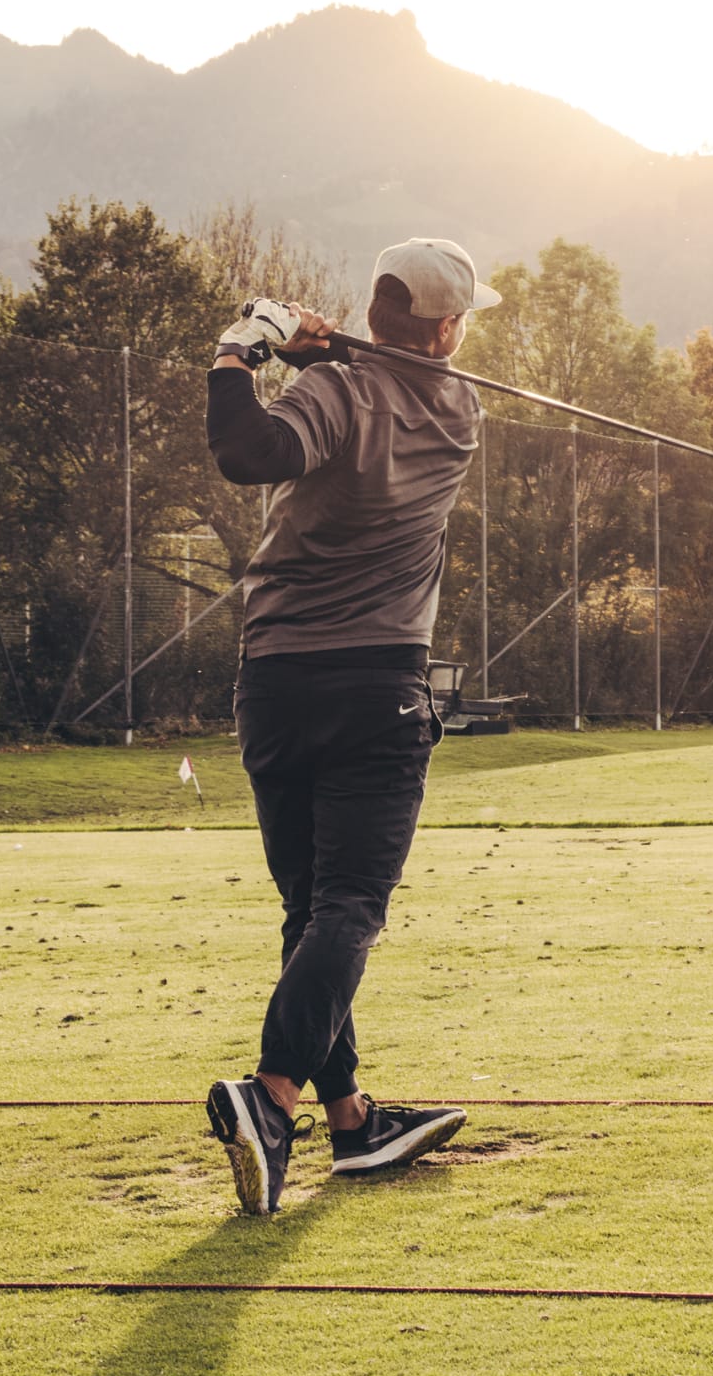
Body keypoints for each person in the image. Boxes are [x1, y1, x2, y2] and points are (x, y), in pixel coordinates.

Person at [200, 237, 497, 1214]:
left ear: (374, 313)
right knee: (350, 907)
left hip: (275, 680)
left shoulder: (334, 393)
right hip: (376, 687)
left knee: (310, 911)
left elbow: (248, 451)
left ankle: (355, 1122)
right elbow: (346, 405)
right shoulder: (458, 410)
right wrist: (313, 356)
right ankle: (271, 1098)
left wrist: (242, 352)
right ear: (444, 330)